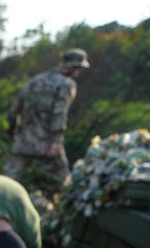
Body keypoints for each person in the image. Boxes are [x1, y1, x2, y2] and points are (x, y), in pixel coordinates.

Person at [5, 48, 89, 201]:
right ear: (72, 66)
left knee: (7, 182)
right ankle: (62, 215)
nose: (79, 73)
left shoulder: (34, 80)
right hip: (47, 144)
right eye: (79, 69)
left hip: (23, 141)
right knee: (65, 185)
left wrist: (12, 129)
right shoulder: (66, 84)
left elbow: (15, 108)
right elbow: (59, 113)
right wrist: (56, 141)